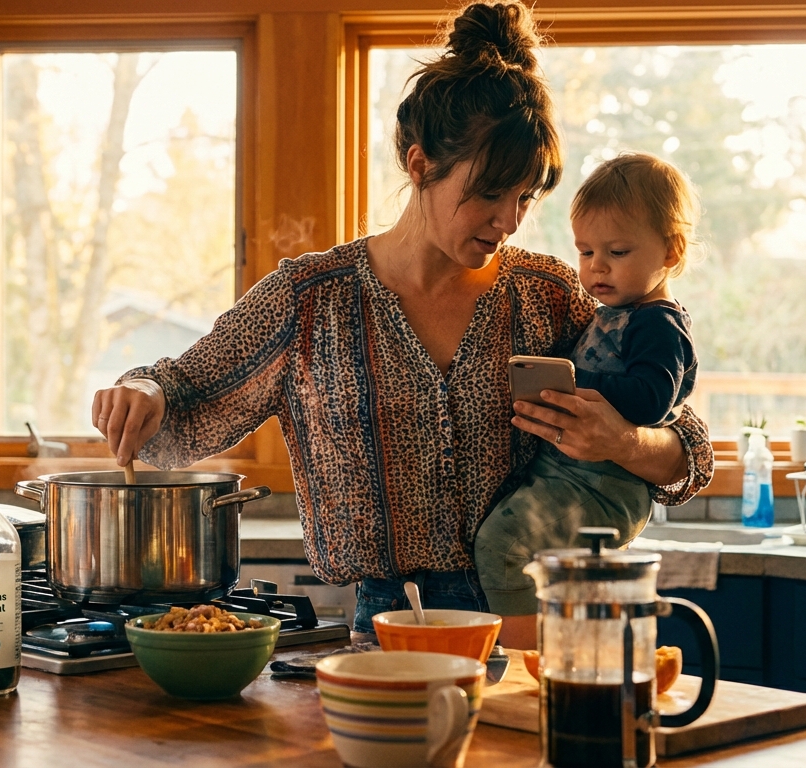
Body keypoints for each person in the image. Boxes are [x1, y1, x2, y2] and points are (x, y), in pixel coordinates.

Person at [90, 0, 713, 648]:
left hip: (536, 623)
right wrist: (142, 392)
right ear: (419, 165)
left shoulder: (549, 292)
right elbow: (181, 396)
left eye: (526, 196)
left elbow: (689, 451)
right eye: (491, 192)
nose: (510, 220)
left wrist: (623, 444)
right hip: (388, 631)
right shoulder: (311, 300)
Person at [474, 152, 702, 617]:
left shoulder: (659, 324)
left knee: (501, 546)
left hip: (604, 486)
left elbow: (654, 400)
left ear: (671, 251)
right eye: (585, 252)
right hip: (572, 477)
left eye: (616, 253)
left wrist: (571, 381)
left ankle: (527, 658)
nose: (597, 267)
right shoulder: (615, 313)